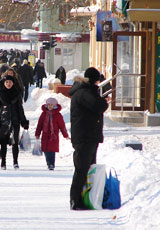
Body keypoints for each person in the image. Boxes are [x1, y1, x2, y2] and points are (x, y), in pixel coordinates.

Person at [68, 67, 109, 210]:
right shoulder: (85, 93)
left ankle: (85, 198)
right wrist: (104, 101)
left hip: (87, 135)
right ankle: (76, 200)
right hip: (85, 136)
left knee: (87, 168)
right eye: (97, 81)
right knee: (82, 169)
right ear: (93, 80)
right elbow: (98, 106)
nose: (98, 84)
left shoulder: (85, 91)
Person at [0, 75, 29, 170]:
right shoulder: (0, 94)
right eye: (6, 82)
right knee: (3, 143)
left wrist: (23, 121)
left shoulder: (16, 93)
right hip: (3, 121)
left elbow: (20, 108)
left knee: (15, 142)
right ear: (4, 83)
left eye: (10, 82)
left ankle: (15, 162)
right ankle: (3, 162)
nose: (8, 84)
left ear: (13, 83)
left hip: (15, 120)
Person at [35, 97, 69, 170]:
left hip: (54, 136)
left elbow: (62, 126)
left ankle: (52, 164)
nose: (50, 106)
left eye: (52, 105)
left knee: (52, 150)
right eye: (49, 105)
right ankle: (48, 163)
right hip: (45, 135)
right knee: (46, 150)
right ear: (46, 105)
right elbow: (40, 124)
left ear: (55, 106)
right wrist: (37, 134)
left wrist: (65, 135)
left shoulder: (58, 115)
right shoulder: (43, 114)